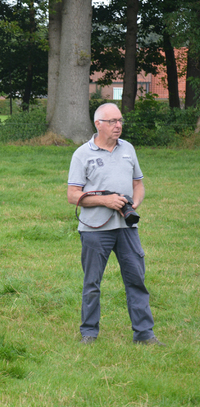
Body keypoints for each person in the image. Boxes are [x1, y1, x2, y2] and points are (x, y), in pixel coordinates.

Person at [67, 103, 163, 346]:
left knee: (136, 281)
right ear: (98, 124)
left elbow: (138, 184)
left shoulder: (128, 149)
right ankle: (89, 333)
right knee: (92, 284)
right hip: (94, 231)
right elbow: (72, 195)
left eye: (120, 121)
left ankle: (144, 335)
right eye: (112, 121)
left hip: (127, 228)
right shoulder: (82, 154)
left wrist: (135, 204)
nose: (118, 126)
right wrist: (105, 201)